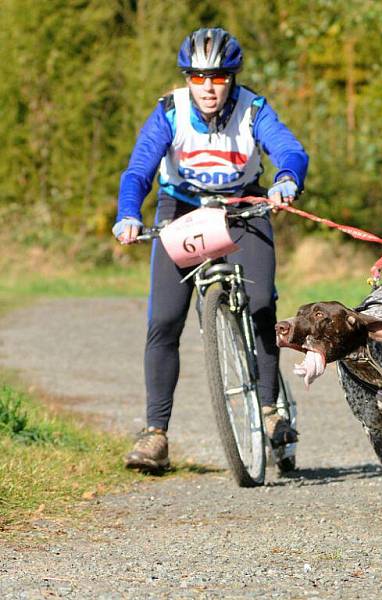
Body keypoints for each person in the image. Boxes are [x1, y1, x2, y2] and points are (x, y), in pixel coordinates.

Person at [113, 27, 308, 471]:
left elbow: (289, 150)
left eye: (217, 78)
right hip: (180, 210)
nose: (207, 88)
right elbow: (139, 169)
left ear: (232, 78)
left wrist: (286, 179)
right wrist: (128, 213)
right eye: (197, 78)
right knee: (164, 320)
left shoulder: (253, 109)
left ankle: (271, 410)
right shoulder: (170, 111)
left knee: (260, 304)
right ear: (186, 80)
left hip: (243, 207)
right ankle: (155, 435)